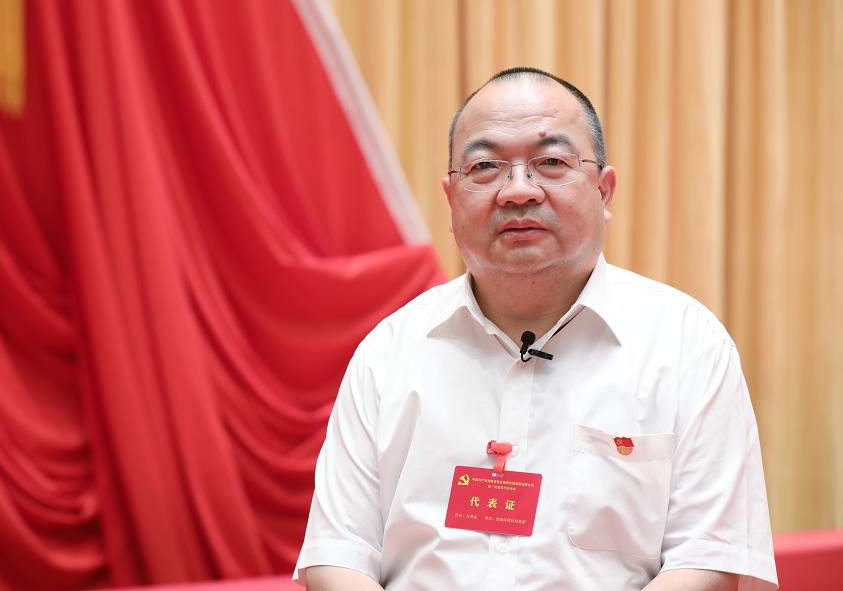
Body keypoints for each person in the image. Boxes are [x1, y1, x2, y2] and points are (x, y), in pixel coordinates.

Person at [294, 67, 778, 591]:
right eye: (485, 166)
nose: (518, 191)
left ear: (604, 191)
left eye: (551, 162)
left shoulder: (687, 346)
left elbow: (708, 560)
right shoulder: (388, 352)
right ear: (451, 199)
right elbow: (336, 555)